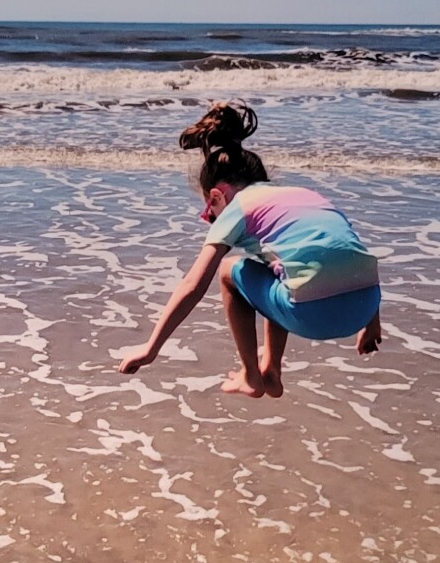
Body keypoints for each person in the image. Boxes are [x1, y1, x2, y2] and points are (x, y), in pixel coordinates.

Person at [117, 100, 383, 398]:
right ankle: (271, 370)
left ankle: (251, 377)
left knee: (230, 270)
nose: (211, 221)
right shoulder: (305, 196)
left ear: (217, 196)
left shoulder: (238, 208)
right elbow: (347, 251)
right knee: (277, 265)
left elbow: (193, 285)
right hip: (365, 306)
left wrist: (150, 348)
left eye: (209, 214)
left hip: (313, 315)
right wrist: (371, 321)